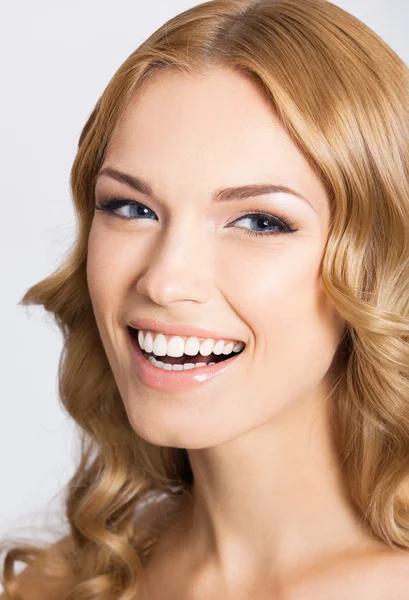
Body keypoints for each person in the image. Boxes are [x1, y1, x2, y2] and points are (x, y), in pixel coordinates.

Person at [2, 0, 409, 598]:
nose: (164, 281)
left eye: (260, 222)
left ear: (379, 261)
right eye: (132, 208)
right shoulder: (57, 586)